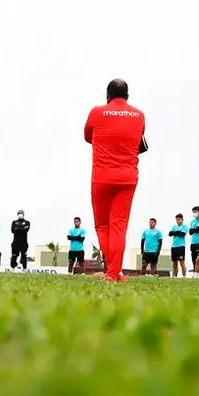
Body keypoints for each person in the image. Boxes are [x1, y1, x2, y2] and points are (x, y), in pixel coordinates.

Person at [84, 79, 147, 282]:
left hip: (102, 176)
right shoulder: (139, 115)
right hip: (128, 176)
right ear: (127, 97)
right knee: (119, 225)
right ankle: (115, 272)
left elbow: (88, 137)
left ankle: (113, 272)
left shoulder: (97, 112)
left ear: (107, 95)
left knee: (103, 226)